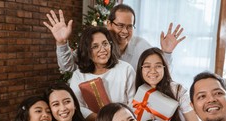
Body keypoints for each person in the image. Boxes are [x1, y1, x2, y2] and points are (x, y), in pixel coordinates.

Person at [43, 4, 185, 71]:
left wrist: (166, 53)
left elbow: (161, 72)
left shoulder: (141, 45)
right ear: (109, 24)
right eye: (120, 25)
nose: (125, 31)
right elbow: (68, 66)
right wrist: (61, 43)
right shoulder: (95, 42)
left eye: (130, 26)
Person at [69, 26, 135, 121]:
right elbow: (77, 106)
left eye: (105, 44)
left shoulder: (125, 69)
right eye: (95, 46)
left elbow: (133, 102)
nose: (103, 49)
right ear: (87, 51)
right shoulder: (79, 75)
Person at [135, 47, 199, 121]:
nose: (153, 71)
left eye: (158, 66)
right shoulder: (136, 92)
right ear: (140, 68)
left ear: (165, 68)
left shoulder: (177, 90)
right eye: (147, 66)